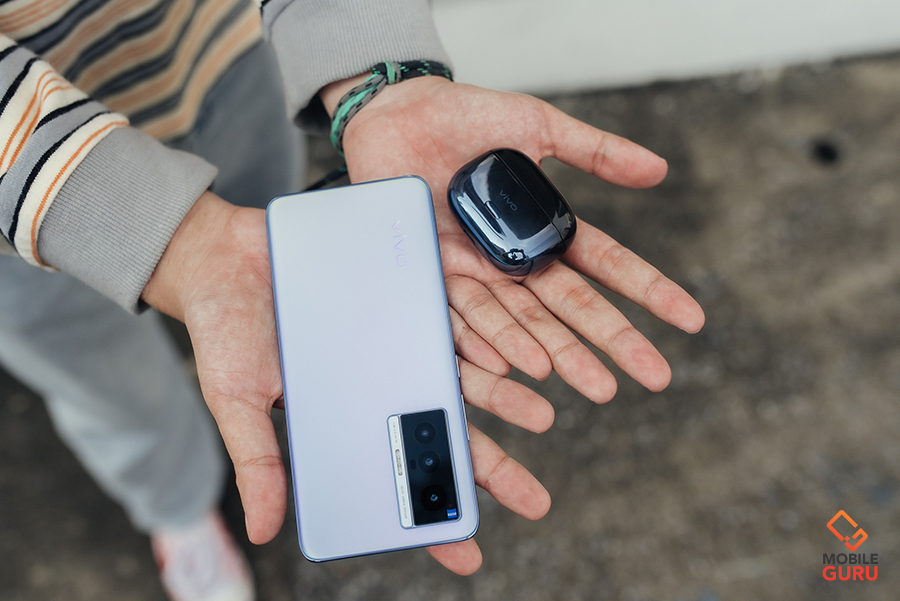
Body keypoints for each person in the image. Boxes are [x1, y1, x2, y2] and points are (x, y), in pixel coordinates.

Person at [0, 1, 705, 600]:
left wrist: (369, 68)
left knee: (287, 241)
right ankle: (174, 504)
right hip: (25, 206)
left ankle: (175, 499)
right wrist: (153, 231)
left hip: (215, 56)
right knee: (105, 380)